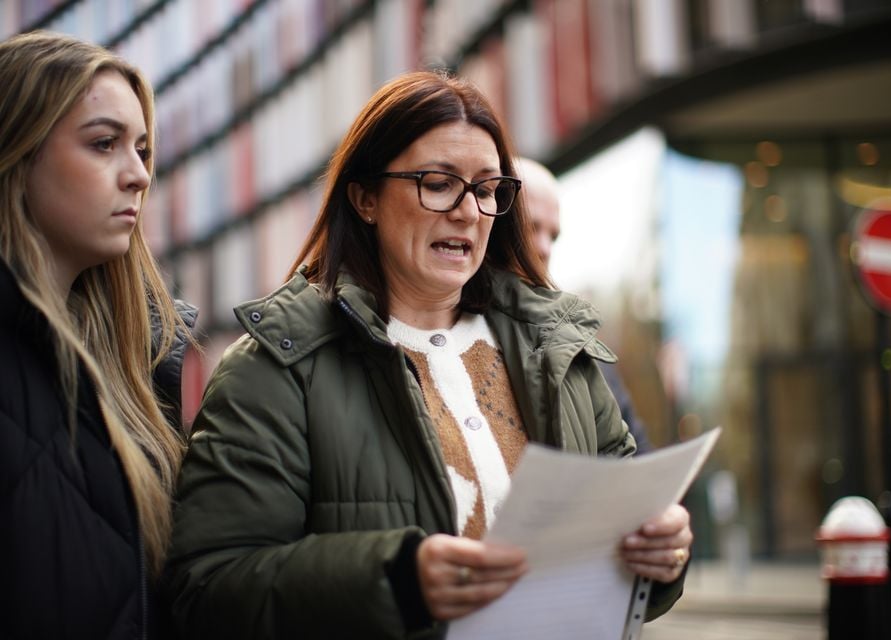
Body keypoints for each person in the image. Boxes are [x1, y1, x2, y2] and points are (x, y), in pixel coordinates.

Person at [165, 71, 691, 639]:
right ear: (364, 197)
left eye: (488, 189)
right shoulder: (275, 367)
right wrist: (395, 581)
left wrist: (660, 557)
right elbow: (207, 589)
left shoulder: (560, 350)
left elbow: (624, 549)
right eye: (439, 183)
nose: (468, 212)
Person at [0, 31, 196, 639]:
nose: (139, 175)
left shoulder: (148, 366)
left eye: (142, 149)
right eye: (104, 144)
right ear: (16, 151)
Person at [518, 156, 652, 452]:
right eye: (531, 226)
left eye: (553, 235)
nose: (545, 247)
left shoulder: (577, 343)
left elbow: (637, 451)